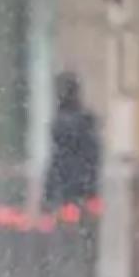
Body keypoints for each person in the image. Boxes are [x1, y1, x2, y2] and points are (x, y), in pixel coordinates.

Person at [43, 71, 101, 210]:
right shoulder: (85, 121)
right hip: (83, 190)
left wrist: (49, 193)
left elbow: (57, 160)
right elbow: (93, 156)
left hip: (67, 191)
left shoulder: (63, 123)